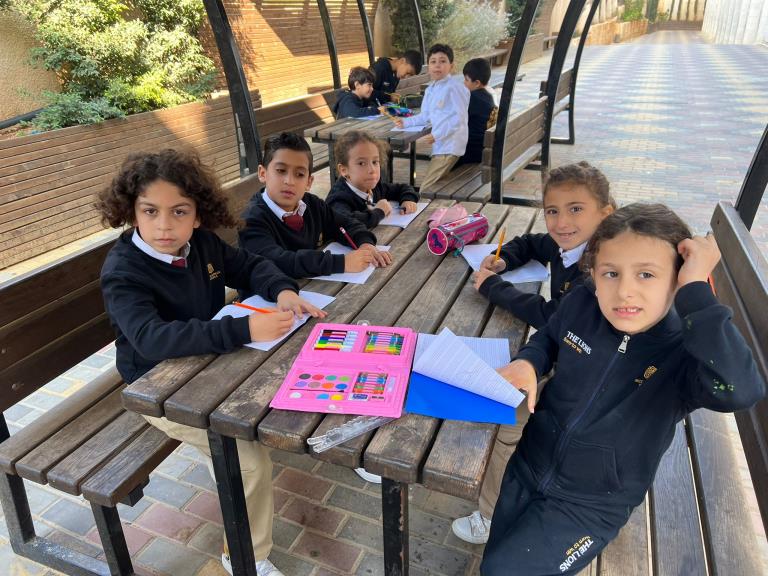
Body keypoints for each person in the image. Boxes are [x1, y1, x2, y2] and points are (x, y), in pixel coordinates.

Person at [481, 203, 765, 575]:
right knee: (497, 554)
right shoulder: (584, 302)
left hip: (592, 504)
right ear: (593, 273)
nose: (625, 291)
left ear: (677, 280)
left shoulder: (684, 353)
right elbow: (551, 335)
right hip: (528, 465)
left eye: (646, 274)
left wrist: (696, 290)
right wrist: (530, 361)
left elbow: (741, 390)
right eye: (611, 273)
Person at [97, 148, 327, 576]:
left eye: (179, 211)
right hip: (154, 384)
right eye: (150, 211)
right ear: (131, 212)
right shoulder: (124, 271)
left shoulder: (201, 244)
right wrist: (244, 329)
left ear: (198, 215)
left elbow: (250, 265)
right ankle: (245, 557)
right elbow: (151, 339)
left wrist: (282, 290)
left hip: (206, 364)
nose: (164, 225)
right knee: (247, 459)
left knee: (291, 376)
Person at [451, 161, 616, 545]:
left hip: (589, 382)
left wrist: (493, 287)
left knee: (506, 418)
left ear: (605, 213)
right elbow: (531, 243)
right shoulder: (569, 244)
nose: (562, 222)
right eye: (552, 211)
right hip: (569, 359)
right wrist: (504, 258)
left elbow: (552, 317)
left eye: (576, 209)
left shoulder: (599, 270)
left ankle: (491, 516)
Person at [239, 132, 392, 278]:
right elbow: (278, 260)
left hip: (315, 286)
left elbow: (346, 223)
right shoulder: (252, 220)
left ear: (309, 182)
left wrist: (365, 243)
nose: (289, 181)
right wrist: (341, 263)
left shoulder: (312, 204)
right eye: (281, 171)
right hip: (267, 295)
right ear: (263, 173)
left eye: (299, 174)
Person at [387, 44, 469, 192]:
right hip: (441, 147)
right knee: (435, 188)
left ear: (451, 66)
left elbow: (459, 118)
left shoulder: (454, 88)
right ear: (428, 67)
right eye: (433, 61)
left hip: (450, 146)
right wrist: (405, 122)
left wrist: (437, 134)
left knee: (425, 190)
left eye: (442, 61)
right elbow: (425, 116)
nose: (437, 65)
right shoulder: (431, 89)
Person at [326, 130, 420, 228]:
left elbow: (403, 188)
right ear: (344, 170)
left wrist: (408, 200)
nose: (372, 170)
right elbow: (344, 221)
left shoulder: (373, 189)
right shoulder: (338, 198)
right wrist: (379, 212)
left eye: (375, 162)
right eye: (361, 163)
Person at [455, 58, 496, 167]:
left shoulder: (472, 98)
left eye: (466, 80)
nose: (464, 83)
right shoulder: (488, 96)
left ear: (477, 83)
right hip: (481, 149)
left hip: (470, 152)